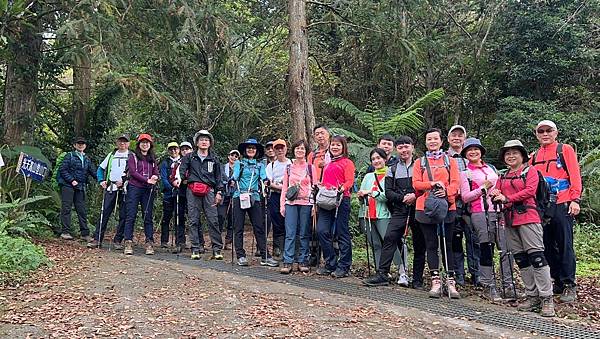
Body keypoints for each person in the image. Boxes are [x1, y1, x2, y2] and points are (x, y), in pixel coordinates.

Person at [490, 140, 555, 317]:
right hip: (510, 220)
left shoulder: (531, 171)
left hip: (528, 217)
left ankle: (546, 297)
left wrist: (506, 198)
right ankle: (532, 295)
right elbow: (496, 192)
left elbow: (529, 191)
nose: (511, 156)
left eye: (515, 153)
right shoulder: (502, 176)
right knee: (521, 259)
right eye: (507, 153)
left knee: (536, 256)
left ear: (522, 156)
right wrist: (495, 194)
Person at [530, 120, 581, 303]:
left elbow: (574, 173)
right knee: (547, 243)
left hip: (563, 200)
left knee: (565, 242)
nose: (545, 134)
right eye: (541, 131)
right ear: (536, 134)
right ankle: (556, 280)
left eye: (548, 130)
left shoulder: (564, 150)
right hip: (542, 206)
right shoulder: (534, 156)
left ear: (555, 132)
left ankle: (569, 283)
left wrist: (575, 199)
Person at [459, 138, 514, 300]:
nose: (473, 152)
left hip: (498, 210)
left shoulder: (491, 168)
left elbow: (499, 186)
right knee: (486, 248)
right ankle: (488, 285)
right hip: (479, 213)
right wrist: (483, 188)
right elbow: (465, 197)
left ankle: (508, 285)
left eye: (476, 149)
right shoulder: (465, 173)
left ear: (481, 151)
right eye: (469, 150)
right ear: (465, 154)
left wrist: (498, 193)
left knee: (506, 248)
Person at [363, 136, 420, 288]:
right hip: (400, 209)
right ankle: (382, 274)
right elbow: (389, 192)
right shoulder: (393, 169)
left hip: (419, 208)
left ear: (412, 147)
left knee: (419, 242)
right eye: (400, 147)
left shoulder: (420, 166)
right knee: (390, 238)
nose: (404, 150)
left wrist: (415, 196)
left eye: (406, 146)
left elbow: (424, 186)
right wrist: (404, 198)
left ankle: (417, 278)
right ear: (396, 150)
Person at [413, 128, 461, 299]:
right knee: (431, 244)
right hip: (425, 207)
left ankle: (450, 280)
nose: (432, 142)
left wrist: (446, 192)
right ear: (425, 142)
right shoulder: (420, 162)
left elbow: (456, 182)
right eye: (429, 139)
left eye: (435, 139)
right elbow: (416, 184)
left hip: (447, 206)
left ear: (441, 141)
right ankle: (435, 280)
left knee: (447, 244)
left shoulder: (450, 161)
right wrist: (432, 184)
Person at [175, 130, 224, 260]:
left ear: (210, 143)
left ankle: (217, 249)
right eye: (201, 139)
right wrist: (178, 179)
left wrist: (219, 192)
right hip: (192, 190)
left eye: (206, 140)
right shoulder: (189, 157)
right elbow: (181, 170)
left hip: (209, 190)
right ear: (197, 142)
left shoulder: (214, 159)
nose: (204, 142)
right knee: (193, 220)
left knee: (213, 220)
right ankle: (195, 248)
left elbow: (219, 177)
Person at [230, 138, 279, 267]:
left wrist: (267, 182)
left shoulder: (260, 165)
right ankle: (241, 255)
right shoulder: (239, 164)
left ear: (256, 151)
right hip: (239, 196)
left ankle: (265, 256)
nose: (251, 149)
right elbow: (235, 175)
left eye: (253, 148)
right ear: (245, 150)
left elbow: (263, 177)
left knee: (259, 226)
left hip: (254, 196)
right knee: (238, 226)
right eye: (249, 147)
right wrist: (232, 180)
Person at [315, 135, 355, 278]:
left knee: (341, 233)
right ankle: (330, 262)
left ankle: (344, 266)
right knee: (321, 230)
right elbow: (326, 180)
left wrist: (342, 188)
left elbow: (350, 181)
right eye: (333, 144)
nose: (335, 147)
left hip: (341, 200)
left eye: (338, 145)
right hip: (326, 200)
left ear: (343, 147)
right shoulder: (328, 163)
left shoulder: (347, 163)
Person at [447, 124, 481, 286]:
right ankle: (458, 273)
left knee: (473, 239)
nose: (457, 138)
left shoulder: (472, 157)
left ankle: (476, 273)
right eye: (454, 135)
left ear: (464, 139)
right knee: (455, 240)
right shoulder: (445, 158)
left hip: (473, 205)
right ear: (448, 139)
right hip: (453, 204)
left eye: (460, 135)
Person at [358, 148, 398, 284]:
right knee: (375, 244)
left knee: (389, 242)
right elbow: (361, 194)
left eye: (378, 158)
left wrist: (371, 193)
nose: (376, 161)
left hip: (384, 214)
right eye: (373, 159)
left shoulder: (390, 174)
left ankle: (401, 270)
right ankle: (380, 272)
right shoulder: (368, 176)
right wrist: (361, 195)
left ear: (385, 159)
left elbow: (388, 196)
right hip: (368, 214)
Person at [87, 134, 131, 249]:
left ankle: (118, 241)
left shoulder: (132, 156)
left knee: (124, 215)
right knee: (104, 212)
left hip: (126, 188)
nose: (122, 144)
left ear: (128, 144)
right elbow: (100, 169)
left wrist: (125, 180)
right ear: (117, 143)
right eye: (120, 141)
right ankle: (97, 239)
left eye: (125, 142)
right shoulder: (111, 155)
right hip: (111, 187)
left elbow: (135, 172)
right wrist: (101, 180)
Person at [279, 140, 314, 273]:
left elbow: (314, 187)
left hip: (306, 203)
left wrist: (314, 206)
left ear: (306, 152)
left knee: (304, 233)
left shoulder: (310, 168)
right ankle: (288, 261)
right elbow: (284, 188)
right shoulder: (288, 168)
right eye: (297, 148)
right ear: (293, 151)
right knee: (290, 233)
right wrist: (282, 205)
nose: (300, 151)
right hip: (291, 203)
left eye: (302, 149)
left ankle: (303, 260)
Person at [123, 134, 159, 255]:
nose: (145, 144)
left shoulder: (152, 158)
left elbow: (156, 171)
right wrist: (146, 180)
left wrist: (155, 177)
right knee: (131, 215)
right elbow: (133, 172)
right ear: (139, 144)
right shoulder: (133, 156)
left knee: (147, 216)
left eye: (147, 142)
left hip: (148, 190)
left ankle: (149, 242)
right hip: (134, 187)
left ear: (150, 145)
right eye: (142, 142)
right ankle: (128, 241)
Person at [58, 137, 97, 241]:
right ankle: (65, 232)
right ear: (74, 145)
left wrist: (102, 180)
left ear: (85, 146)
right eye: (78, 143)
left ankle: (85, 234)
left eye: (83, 144)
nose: (81, 145)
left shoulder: (86, 159)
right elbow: (62, 169)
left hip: (80, 186)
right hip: (67, 185)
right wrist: (71, 180)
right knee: (67, 208)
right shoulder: (69, 156)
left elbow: (93, 171)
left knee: (82, 209)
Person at [307, 125, 332, 266]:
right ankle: (314, 255)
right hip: (315, 190)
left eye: (322, 133)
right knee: (314, 225)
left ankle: (332, 256)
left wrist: (326, 165)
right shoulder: (312, 155)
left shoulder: (334, 150)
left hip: (330, 191)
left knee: (329, 226)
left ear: (328, 134)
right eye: (317, 134)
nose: (320, 136)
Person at [266, 139, 292, 257]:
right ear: (274, 150)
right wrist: (282, 186)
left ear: (286, 149)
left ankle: (289, 250)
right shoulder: (271, 166)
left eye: (282, 147)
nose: (280, 150)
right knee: (277, 223)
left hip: (290, 197)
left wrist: (279, 186)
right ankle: (279, 248)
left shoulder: (291, 164)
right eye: (277, 148)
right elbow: (268, 183)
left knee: (289, 223)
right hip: (275, 197)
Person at [159, 142, 186, 251]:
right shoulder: (165, 162)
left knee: (179, 217)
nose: (173, 151)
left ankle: (180, 241)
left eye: (175, 149)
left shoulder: (183, 161)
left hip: (180, 193)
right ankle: (164, 240)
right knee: (166, 217)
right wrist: (171, 187)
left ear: (178, 150)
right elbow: (164, 177)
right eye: (171, 149)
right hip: (168, 194)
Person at [219, 149, 240, 249]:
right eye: (232, 155)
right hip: (224, 195)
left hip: (235, 195)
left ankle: (228, 241)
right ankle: (217, 240)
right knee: (221, 216)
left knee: (233, 219)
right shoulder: (222, 167)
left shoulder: (240, 168)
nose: (234, 157)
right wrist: (228, 181)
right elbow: (219, 179)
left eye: (236, 156)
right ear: (228, 156)